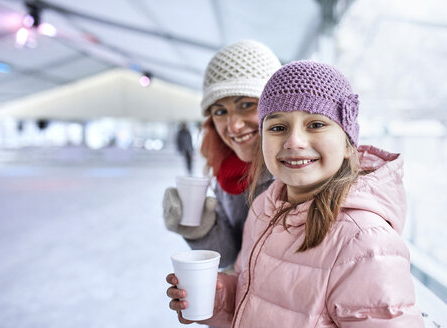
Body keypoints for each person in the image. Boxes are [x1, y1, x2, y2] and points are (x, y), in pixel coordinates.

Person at [166, 61, 425, 327]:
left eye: (315, 124)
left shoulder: (365, 241)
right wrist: (219, 298)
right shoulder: (263, 208)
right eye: (278, 128)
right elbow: (260, 299)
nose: (294, 142)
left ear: (348, 144)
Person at [163, 40, 281, 268]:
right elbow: (230, 256)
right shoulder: (228, 170)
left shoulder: (299, 171)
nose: (233, 125)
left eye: (247, 104)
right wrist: (201, 228)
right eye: (220, 111)